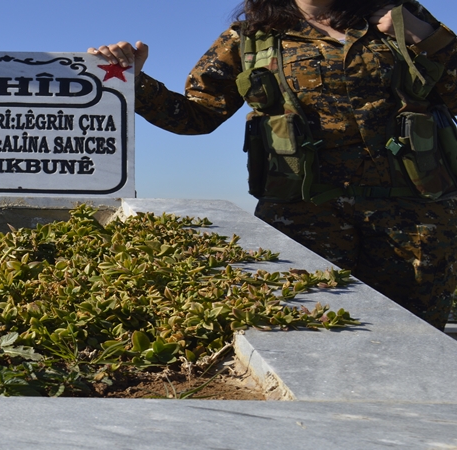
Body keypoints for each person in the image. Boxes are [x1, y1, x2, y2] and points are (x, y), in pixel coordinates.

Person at [89, 0, 457, 330]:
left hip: (416, 217)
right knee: (307, 338)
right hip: (304, 218)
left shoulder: (401, 15)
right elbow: (196, 116)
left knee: (419, 341)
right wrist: (134, 81)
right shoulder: (249, 37)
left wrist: (425, 36)